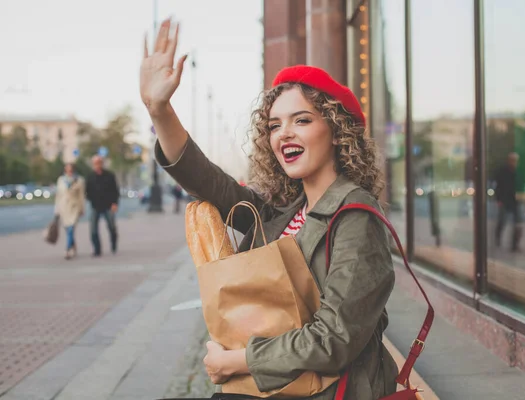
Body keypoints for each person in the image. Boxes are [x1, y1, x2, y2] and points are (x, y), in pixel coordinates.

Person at [140, 19, 397, 400]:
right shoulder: (282, 212)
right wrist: (160, 110)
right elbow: (210, 181)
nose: (284, 134)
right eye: (275, 125)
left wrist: (238, 361)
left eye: (302, 120)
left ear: (338, 131)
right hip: (278, 386)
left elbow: (334, 340)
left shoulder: (355, 215)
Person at [86, 155, 119, 256]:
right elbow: (87, 191)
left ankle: (113, 244)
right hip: (95, 206)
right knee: (93, 230)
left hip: (108, 206)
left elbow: (115, 191)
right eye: (95, 163)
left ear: (102, 163)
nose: (97, 165)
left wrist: (115, 203)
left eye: (99, 163)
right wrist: (90, 199)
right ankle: (97, 249)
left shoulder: (109, 175)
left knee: (111, 227)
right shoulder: (90, 177)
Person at [54, 163, 86, 260]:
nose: (69, 171)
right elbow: (58, 196)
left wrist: (82, 208)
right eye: (67, 169)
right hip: (64, 207)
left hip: (74, 207)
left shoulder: (79, 180)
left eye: (70, 169)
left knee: (71, 228)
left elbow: (81, 196)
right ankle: (73, 246)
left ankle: (67, 250)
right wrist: (56, 209)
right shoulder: (61, 180)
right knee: (68, 230)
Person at [494, 152, 522, 252]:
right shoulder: (503, 171)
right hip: (505, 200)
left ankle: (515, 245)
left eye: (516, 160)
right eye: (513, 160)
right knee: (502, 221)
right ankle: (498, 238)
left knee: (518, 223)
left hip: (516, 200)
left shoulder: (519, 171)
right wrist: (499, 200)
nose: (514, 162)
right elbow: (498, 187)